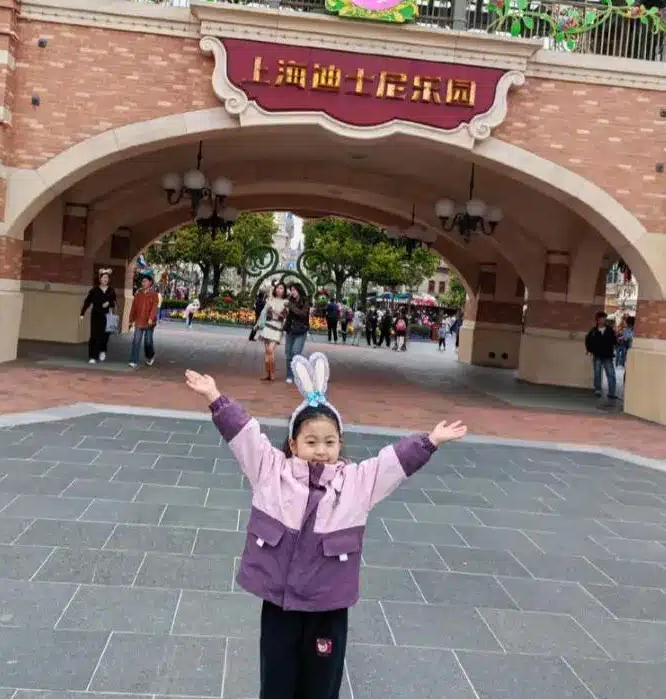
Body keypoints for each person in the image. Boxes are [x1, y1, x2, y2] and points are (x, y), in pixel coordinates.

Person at [183, 353, 467, 699]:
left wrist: (429, 441)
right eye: (311, 441)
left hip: (327, 608)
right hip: (280, 604)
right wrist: (215, 397)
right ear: (292, 444)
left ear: (340, 444)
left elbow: (391, 463)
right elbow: (245, 435)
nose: (321, 450)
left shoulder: (356, 483)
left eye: (330, 442)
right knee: (276, 680)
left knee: (321, 685)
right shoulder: (271, 471)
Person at [80, 268, 117, 364]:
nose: (105, 279)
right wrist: (82, 313)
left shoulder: (111, 290)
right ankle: (92, 356)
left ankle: (103, 350)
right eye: (103, 277)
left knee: (105, 335)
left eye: (107, 278)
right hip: (96, 315)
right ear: (100, 279)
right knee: (94, 336)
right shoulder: (94, 290)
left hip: (107, 315)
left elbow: (114, 302)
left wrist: (108, 303)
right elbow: (87, 301)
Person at [585, 311, 619, 409]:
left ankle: (612, 392)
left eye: (604, 318)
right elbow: (588, 340)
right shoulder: (593, 331)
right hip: (598, 355)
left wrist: (614, 344)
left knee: (611, 374)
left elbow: (614, 341)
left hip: (608, 355)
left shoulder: (610, 330)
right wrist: (589, 349)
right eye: (601, 319)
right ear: (597, 320)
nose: (602, 320)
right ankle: (598, 389)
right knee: (597, 372)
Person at [258, 282, 288, 381]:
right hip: (267, 326)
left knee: (270, 350)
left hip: (277, 328)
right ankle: (268, 373)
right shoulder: (270, 299)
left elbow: (285, 316)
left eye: (281, 288)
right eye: (278, 288)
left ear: (284, 290)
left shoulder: (286, 302)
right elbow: (264, 311)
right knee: (267, 354)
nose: (279, 290)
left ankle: (272, 372)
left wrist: (278, 313)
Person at [128, 272, 159, 368]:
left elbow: (155, 307)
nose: (143, 283)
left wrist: (151, 318)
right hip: (139, 321)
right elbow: (133, 308)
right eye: (142, 282)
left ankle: (150, 356)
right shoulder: (138, 295)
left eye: (145, 281)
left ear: (150, 283)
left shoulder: (154, 295)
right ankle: (133, 360)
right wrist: (131, 320)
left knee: (148, 341)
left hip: (150, 322)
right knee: (136, 340)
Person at [284, 282, 310, 384]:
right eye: (291, 290)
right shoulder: (290, 300)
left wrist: (290, 306)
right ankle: (289, 375)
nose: (292, 292)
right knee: (288, 353)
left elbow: (302, 313)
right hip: (290, 329)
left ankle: (297, 374)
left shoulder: (305, 301)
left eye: (294, 290)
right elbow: (289, 313)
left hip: (300, 330)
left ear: (299, 290)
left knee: (296, 352)